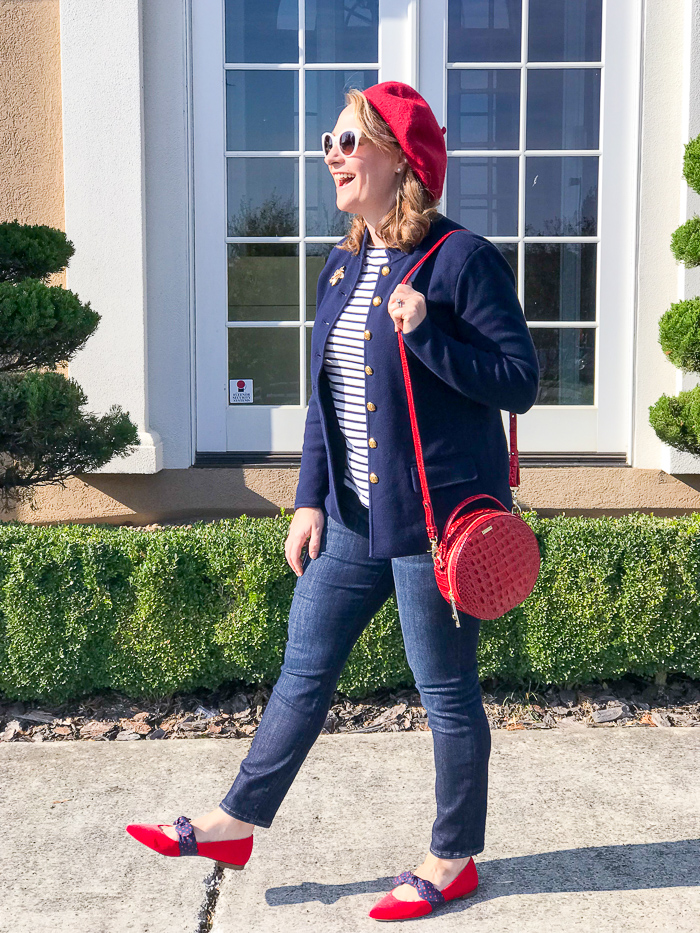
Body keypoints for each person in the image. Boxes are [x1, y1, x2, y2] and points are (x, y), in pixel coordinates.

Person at [126, 81, 540, 922]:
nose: (332, 155)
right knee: (302, 675)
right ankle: (235, 821)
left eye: (350, 141)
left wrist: (429, 330)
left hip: (438, 526)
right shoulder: (343, 260)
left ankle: (452, 857)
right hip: (352, 519)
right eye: (330, 141)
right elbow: (329, 398)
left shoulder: (463, 260)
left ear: (400, 157)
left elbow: (520, 382)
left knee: (447, 696)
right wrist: (309, 496)